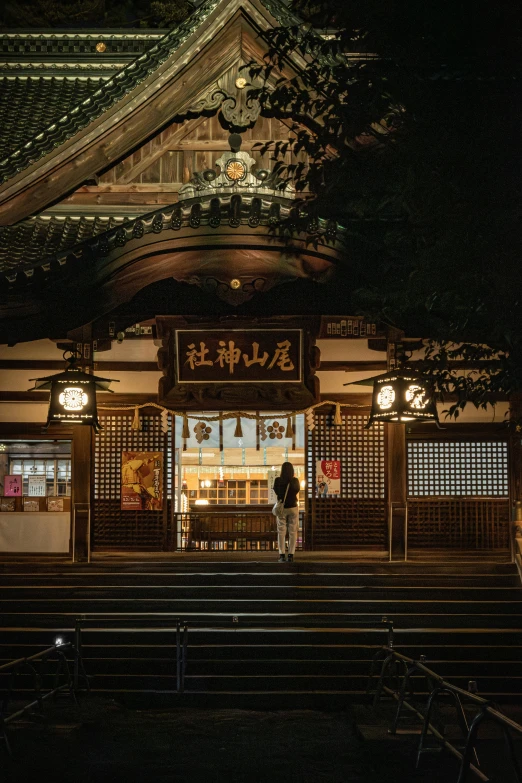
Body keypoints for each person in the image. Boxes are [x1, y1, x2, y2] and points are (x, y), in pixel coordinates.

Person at [273, 461, 300, 562]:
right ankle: (291, 555)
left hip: (282, 509)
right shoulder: (295, 481)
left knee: (281, 531)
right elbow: (297, 490)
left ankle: (281, 554)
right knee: (293, 531)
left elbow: (276, 491)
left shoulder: (278, 480)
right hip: (293, 507)